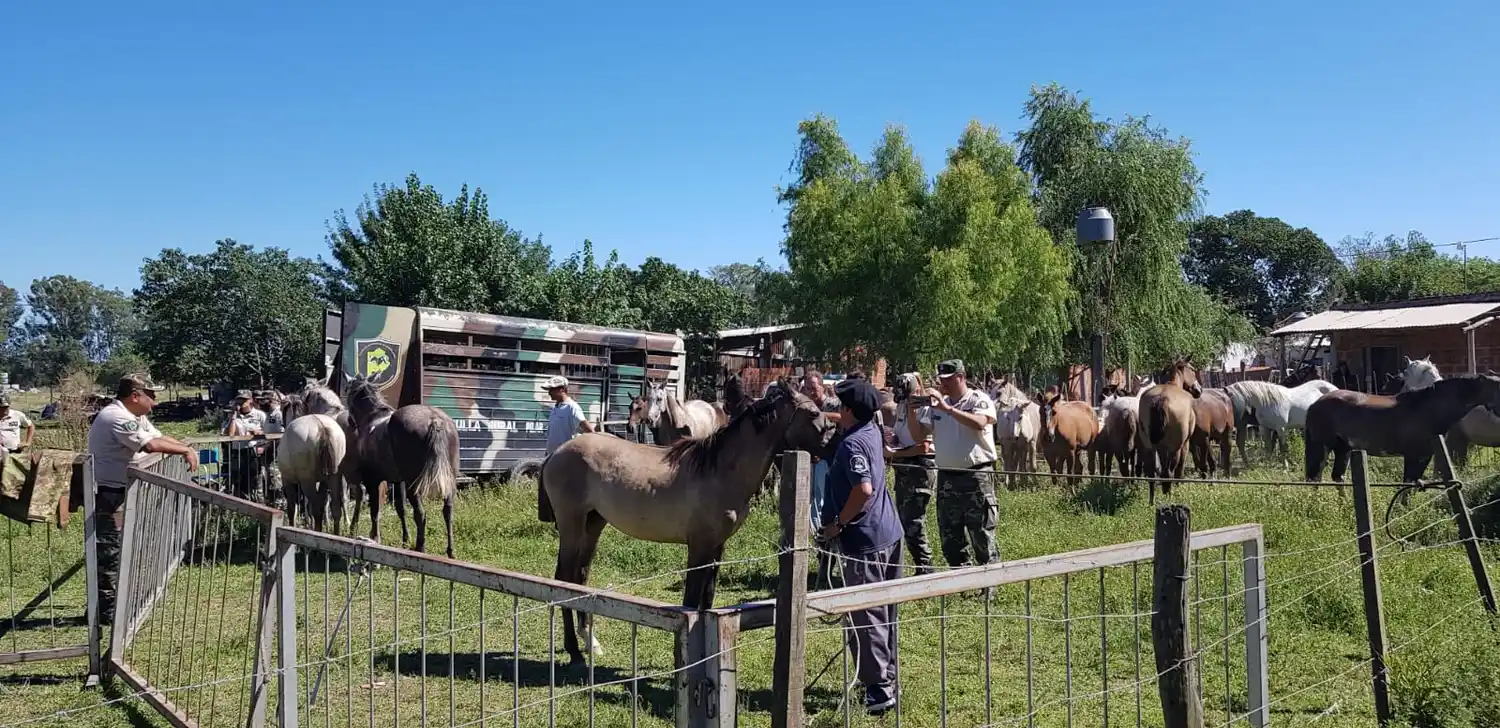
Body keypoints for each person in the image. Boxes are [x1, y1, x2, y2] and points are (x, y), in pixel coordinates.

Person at [820, 376, 902, 715]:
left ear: (849, 410)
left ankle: (878, 689)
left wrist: (837, 524)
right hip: (888, 532)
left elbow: (863, 490)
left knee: (866, 613)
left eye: (840, 405)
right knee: (885, 611)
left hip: (864, 539)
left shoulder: (852, 444)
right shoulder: (871, 433)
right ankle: (888, 679)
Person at [87, 374, 198, 624]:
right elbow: (150, 447)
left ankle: (108, 607)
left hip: (118, 491)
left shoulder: (135, 416)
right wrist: (185, 449)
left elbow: (158, 437)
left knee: (118, 547)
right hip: (109, 493)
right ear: (135, 396)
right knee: (110, 551)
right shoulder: (117, 417)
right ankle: (106, 613)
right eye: (152, 396)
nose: (155, 402)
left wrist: (184, 446)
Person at [925, 359, 999, 567]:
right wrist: (912, 408)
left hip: (976, 476)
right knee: (950, 535)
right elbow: (919, 432)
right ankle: (961, 584)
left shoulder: (978, 399)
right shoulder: (937, 405)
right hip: (947, 476)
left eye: (948, 379)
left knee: (981, 532)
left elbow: (979, 423)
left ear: (961, 377)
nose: (944, 384)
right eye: (941, 380)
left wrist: (948, 409)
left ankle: (989, 584)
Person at [884, 372, 936, 575]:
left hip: (919, 466)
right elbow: (903, 434)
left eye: (906, 393)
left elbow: (921, 443)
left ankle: (926, 566)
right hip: (903, 464)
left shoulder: (924, 408)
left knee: (913, 520)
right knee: (904, 519)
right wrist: (891, 437)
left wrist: (896, 452)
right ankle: (920, 565)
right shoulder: (902, 408)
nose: (903, 397)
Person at [224, 390, 269, 498]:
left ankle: (257, 502)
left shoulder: (259, 415)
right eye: (239, 399)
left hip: (253, 451)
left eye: (244, 399)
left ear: (250, 400)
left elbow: (269, 433)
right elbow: (230, 434)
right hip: (237, 451)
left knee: (254, 479)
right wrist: (233, 417)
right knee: (238, 480)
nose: (241, 402)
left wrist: (259, 433)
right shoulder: (231, 416)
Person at [543, 376, 594, 456]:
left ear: (562, 389)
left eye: (552, 389)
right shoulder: (555, 408)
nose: (549, 393)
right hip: (552, 456)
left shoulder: (572, 407)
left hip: (565, 457)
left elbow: (589, 430)